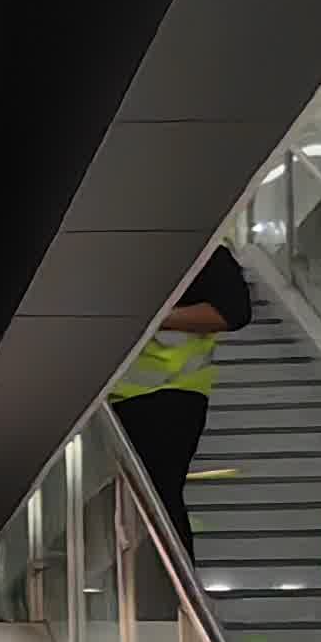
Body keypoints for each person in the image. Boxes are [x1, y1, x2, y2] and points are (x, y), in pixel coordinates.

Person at [115, 241, 253, 563]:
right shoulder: (108, 255)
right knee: (139, 500)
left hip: (169, 394)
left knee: (159, 496)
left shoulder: (199, 251)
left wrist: (155, 318)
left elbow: (234, 312)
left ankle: (174, 583)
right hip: (112, 398)